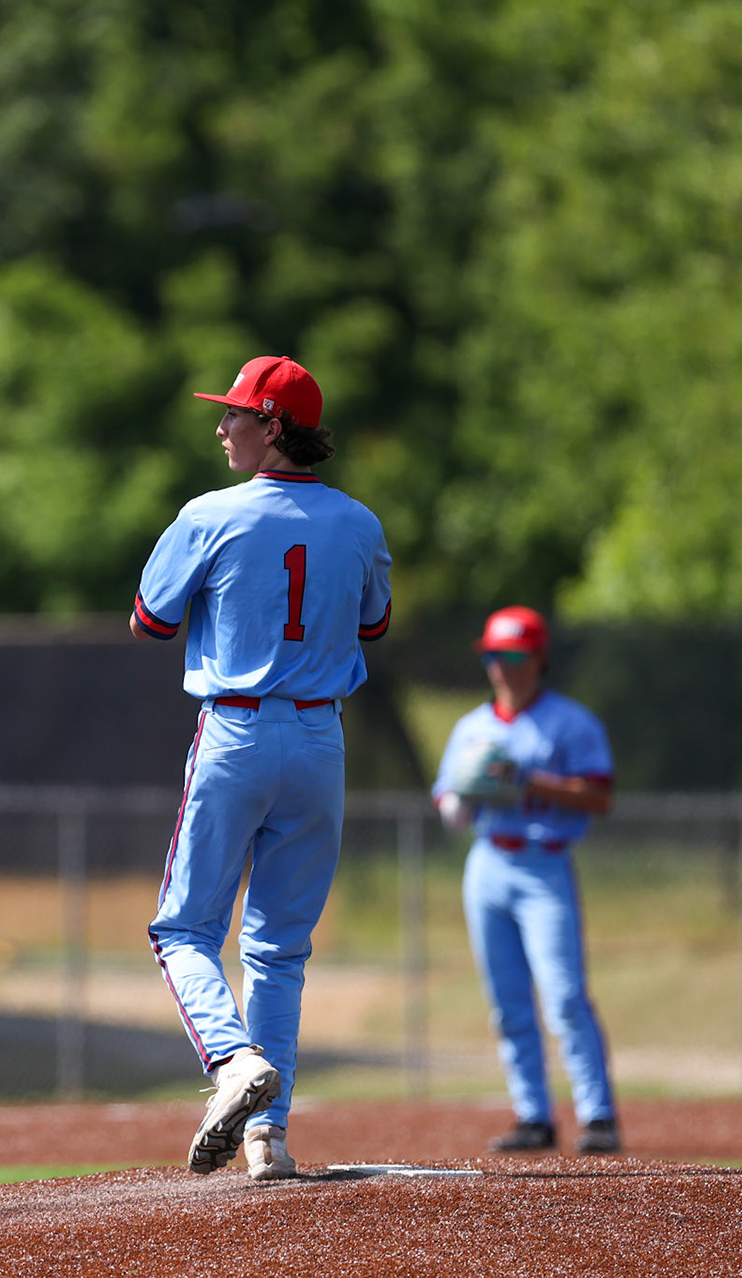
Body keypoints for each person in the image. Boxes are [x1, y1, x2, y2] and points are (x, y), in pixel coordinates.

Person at [131, 355, 392, 1180]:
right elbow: (374, 626)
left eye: (236, 414)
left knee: (183, 930)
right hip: (320, 740)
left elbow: (150, 621)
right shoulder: (360, 522)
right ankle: (267, 1139)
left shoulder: (210, 513)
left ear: (273, 426)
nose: (222, 427)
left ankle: (232, 1060)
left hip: (236, 731)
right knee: (278, 949)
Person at [433, 606, 621, 1154]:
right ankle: (533, 1114)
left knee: (565, 995)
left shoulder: (570, 722)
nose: (502, 666)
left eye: (513, 655)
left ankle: (598, 1115)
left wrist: (529, 782)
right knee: (507, 1000)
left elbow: (600, 796)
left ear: (538, 658)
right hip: (488, 861)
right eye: (493, 655)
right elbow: (449, 804)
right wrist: (465, 797)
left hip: (545, 863)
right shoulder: (472, 727)